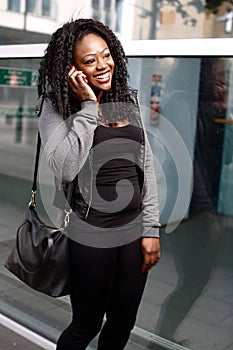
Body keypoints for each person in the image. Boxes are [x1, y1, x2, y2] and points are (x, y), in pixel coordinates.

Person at [37, 18, 161, 350]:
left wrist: (151, 229)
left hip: (134, 231)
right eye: (90, 61)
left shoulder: (126, 99)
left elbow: (144, 166)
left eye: (106, 55)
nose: (102, 65)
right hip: (91, 232)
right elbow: (65, 168)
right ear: (72, 68)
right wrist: (89, 106)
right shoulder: (56, 106)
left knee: (123, 323)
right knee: (86, 325)